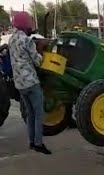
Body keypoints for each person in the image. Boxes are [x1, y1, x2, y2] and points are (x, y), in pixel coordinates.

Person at [8, 12, 51, 155]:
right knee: (39, 113)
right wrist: (41, 50)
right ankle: (39, 143)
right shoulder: (27, 40)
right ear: (26, 24)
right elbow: (38, 61)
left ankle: (32, 142)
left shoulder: (12, 39)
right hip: (31, 82)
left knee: (30, 114)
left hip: (19, 84)